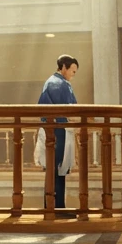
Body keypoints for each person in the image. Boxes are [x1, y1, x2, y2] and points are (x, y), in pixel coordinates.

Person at [35, 55, 79, 217]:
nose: (73, 74)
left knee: (57, 170)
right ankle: (55, 208)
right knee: (56, 169)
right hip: (57, 130)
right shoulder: (56, 84)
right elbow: (65, 109)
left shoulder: (58, 82)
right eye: (72, 71)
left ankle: (57, 206)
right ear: (64, 67)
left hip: (57, 128)